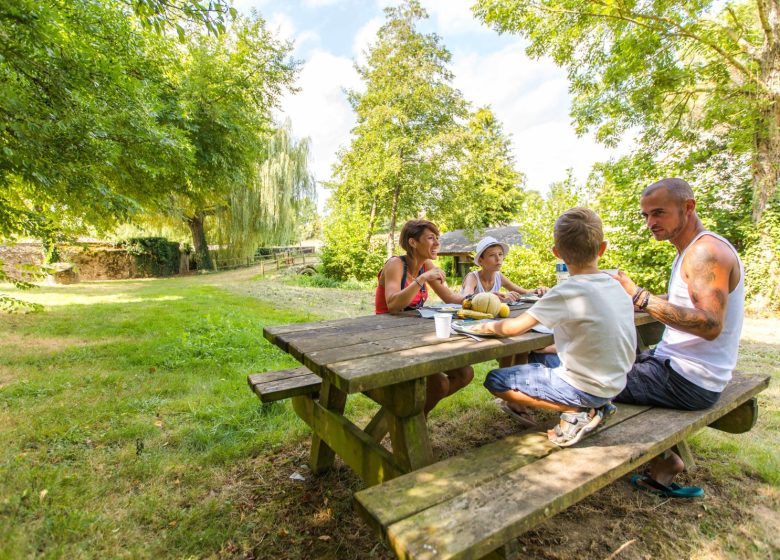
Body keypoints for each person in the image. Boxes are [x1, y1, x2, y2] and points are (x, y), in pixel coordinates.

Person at [609, 178, 745, 497]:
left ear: (688, 207)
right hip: (676, 365)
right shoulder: (689, 250)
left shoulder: (705, 253)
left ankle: (666, 459)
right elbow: (687, 304)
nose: (650, 223)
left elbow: (710, 324)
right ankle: (664, 460)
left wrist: (640, 297)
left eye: (658, 213)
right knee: (609, 356)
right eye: (645, 215)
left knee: (589, 376)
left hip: (690, 380)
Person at [473, 207, 637, 446]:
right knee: (534, 356)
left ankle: (578, 409)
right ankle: (594, 404)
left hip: (587, 387)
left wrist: (486, 326)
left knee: (495, 380)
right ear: (602, 248)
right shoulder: (617, 286)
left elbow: (512, 329)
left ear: (557, 253)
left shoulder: (567, 290)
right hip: (615, 383)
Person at [375, 219, 474, 413]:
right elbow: (393, 305)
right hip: (387, 337)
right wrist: (421, 279)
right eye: (430, 238)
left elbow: (450, 298)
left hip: (414, 335)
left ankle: (413, 414)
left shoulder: (426, 265)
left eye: (437, 238)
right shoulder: (396, 264)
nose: (437, 243)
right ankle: (414, 421)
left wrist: (482, 298)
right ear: (413, 242)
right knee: (439, 385)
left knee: (465, 373)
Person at [462, 235, 556, 370]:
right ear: (481, 260)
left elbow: (523, 292)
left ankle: (515, 377)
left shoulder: (498, 276)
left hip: (491, 320)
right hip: (469, 323)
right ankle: (506, 376)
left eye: (500, 254)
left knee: (519, 341)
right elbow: (467, 296)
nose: (498, 259)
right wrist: (491, 296)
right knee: (514, 339)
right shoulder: (473, 277)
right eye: (492, 255)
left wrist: (538, 290)